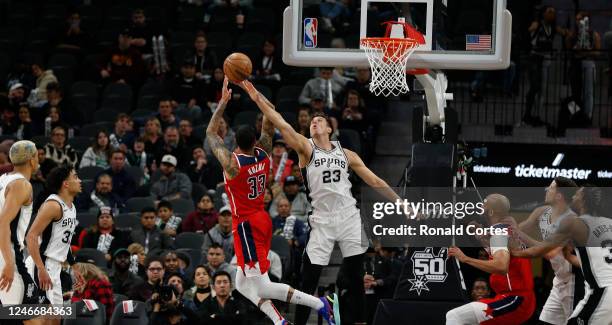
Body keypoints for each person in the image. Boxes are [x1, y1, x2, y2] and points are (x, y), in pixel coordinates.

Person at [244, 80, 401, 325]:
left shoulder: (347, 154)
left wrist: (400, 201)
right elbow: (282, 124)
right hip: (322, 220)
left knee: (356, 276)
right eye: (312, 121)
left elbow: (375, 180)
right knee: (309, 279)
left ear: (330, 128)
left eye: (320, 121)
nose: (314, 122)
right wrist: (257, 98)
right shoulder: (305, 148)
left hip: (349, 216)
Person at [210, 78, 338, 325]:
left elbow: (211, 133)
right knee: (240, 282)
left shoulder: (233, 165)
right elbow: (269, 118)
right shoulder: (264, 152)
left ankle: (320, 303)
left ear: (236, 143)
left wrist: (223, 102)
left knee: (264, 287)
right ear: (254, 141)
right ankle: (280, 321)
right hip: (261, 218)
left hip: (247, 225)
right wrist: (255, 94)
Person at [512, 186, 612, 324]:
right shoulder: (608, 222)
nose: (573, 197)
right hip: (583, 286)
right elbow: (594, 261)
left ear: (583, 200)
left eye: (576, 195)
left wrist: (514, 248)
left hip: (599, 291)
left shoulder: (574, 223)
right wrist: (568, 256)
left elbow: (546, 251)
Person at [446, 194, 535, 325]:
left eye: (484, 204)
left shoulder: (499, 232)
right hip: (518, 298)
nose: (480, 206)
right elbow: (504, 254)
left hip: (515, 300)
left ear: (492, 211)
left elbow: (501, 266)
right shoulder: (506, 229)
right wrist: (482, 238)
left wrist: (464, 258)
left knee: (454, 316)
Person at [517, 177, 578, 325]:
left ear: (559, 195)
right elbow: (517, 230)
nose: (546, 189)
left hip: (576, 284)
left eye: (551, 187)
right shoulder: (541, 212)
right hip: (559, 281)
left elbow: (550, 253)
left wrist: (520, 237)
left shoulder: (571, 221)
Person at [25, 166, 83, 310]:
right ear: (65, 183)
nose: (80, 180)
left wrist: (74, 266)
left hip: (55, 266)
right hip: (42, 263)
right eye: (75, 177)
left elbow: (63, 241)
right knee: (41, 316)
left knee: (56, 317)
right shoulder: (53, 205)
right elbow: (31, 236)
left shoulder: (72, 207)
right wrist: (41, 269)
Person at [0, 141, 48, 311]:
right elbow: (3, 222)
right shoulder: (22, 184)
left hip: (5, 251)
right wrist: (8, 262)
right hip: (8, 253)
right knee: (37, 315)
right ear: (31, 160)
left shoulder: (3, 179)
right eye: (37, 155)